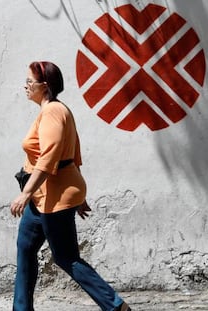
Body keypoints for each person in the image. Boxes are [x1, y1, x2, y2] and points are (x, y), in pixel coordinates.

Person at [10, 61, 131, 311]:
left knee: (66, 258)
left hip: (53, 197)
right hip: (43, 197)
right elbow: (73, 151)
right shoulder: (53, 110)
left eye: (30, 82)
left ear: (44, 87)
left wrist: (25, 194)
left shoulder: (53, 111)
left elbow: (49, 158)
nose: (26, 86)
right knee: (25, 247)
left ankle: (115, 306)